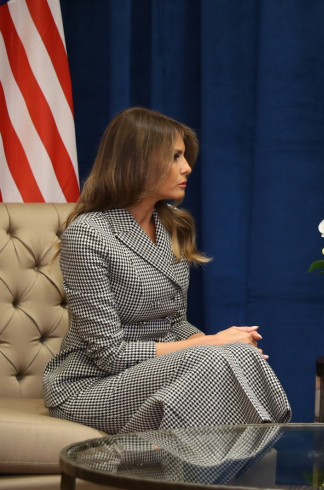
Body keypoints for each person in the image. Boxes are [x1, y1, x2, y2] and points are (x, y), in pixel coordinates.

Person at [43, 107, 291, 433]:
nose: (187, 167)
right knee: (214, 357)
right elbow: (110, 355)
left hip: (160, 371)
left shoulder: (171, 226)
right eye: (175, 156)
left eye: (184, 156)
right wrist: (209, 344)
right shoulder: (88, 233)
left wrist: (220, 344)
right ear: (138, 161)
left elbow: (174, 322)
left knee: (238, 356)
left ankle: (204, 473)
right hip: (91, 385)